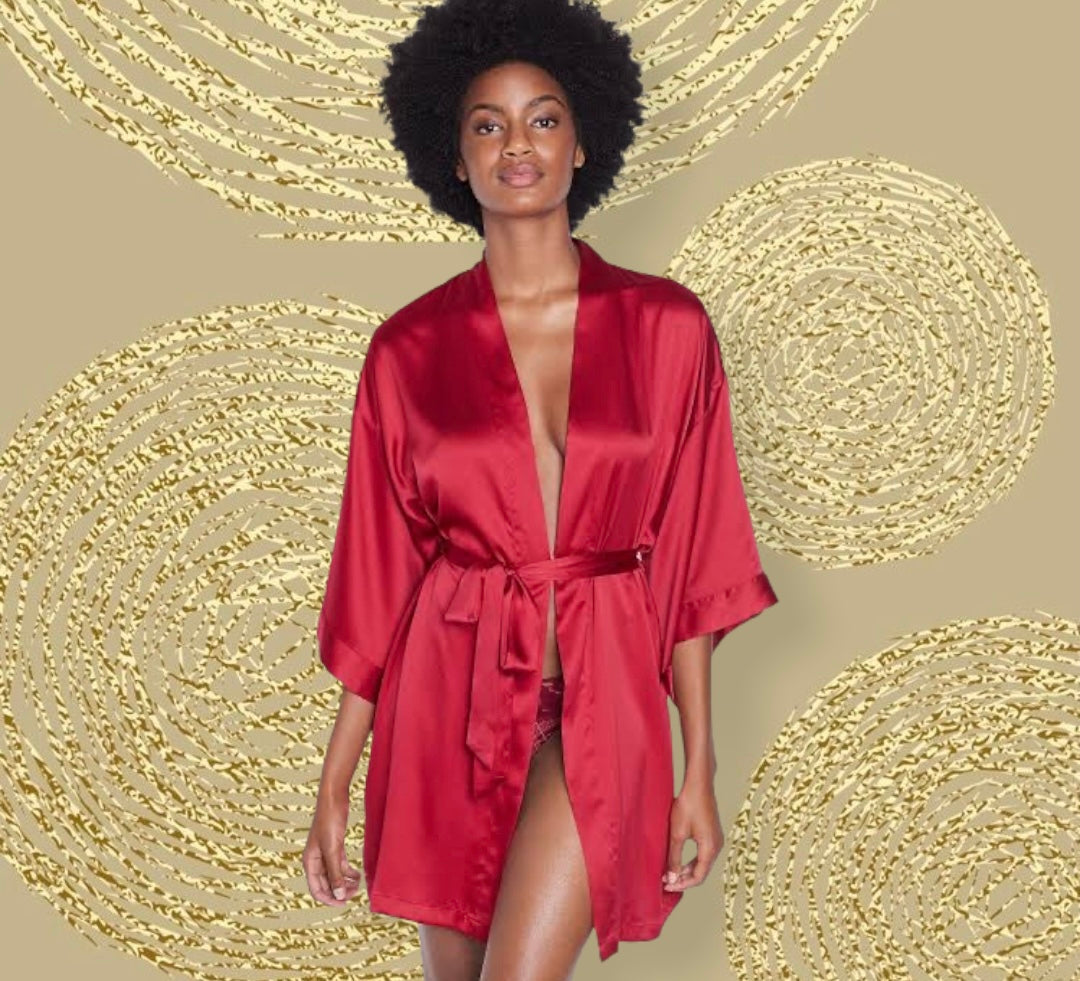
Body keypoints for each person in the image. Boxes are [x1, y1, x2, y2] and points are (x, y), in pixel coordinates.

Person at [302, 1, 779, 977]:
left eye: (544, 118)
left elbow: (696, 558)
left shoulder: (668, 327)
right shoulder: (407, 349)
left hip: (609, 701)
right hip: (446, 706)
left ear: (582, 142)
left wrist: (699, 764)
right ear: (455, 157)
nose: (517, 144)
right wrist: (336, 780)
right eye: (488, 125)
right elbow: (380, 579)